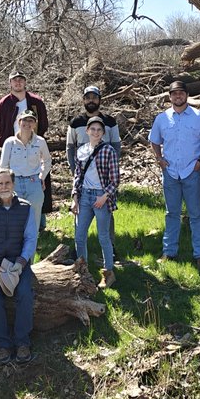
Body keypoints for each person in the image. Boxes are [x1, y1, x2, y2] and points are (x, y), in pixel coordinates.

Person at [148, 80, 200, 267]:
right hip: (170, 172)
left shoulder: (199, 117)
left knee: (196, 214)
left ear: (186, 95)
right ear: (169, 97)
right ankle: (169, 252)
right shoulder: (162, 118)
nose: (178, 96)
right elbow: (154, 140)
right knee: (171, 213)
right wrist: (159, 159)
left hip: (191, 172)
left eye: (181, 93)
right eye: (174, 93)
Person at [0, 169, 38, 365]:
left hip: (19, 261)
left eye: (7, 183)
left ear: (13, 185)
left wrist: (21, 263)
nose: (4, 187)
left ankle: (22, 342)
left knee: (25, 295)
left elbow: (30, 239)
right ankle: (3, 345)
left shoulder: (26, 208)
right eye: (0, 184)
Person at [65, 84, 120, 253]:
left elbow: (116, 146)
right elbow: (70, 147)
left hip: (104, 178)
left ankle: (110, 246)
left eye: (94, 97)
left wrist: (112, 171)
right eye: (88, 97)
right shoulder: (75, 123)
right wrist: (75, 171)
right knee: (79, 210)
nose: (91, 101)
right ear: (83, 100)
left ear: (99, 100)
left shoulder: (110, 122)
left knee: (107, 212)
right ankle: (78, 249)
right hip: (82, 177)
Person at [0, 71, 53, 224]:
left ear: (25, 82)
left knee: (39, 188)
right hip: (14, 147)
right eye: (15, 80)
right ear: (10, 83)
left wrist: (34, 139)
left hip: (33, 145)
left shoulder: (36, 101)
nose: (18, 83)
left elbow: (44, 123)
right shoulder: (4, 103)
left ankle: (39, 224)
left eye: (21, 80)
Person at [72, 116, 119, 287]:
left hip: (101, 196)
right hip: (84, 196)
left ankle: (108, 272)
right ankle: (82, 270)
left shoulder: (109, 151)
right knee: (79, 236)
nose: (96, 132)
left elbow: (115, 180)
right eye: (93, 129)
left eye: (99, 130)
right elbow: (77, 176)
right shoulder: (81, 150)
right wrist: (75, 196)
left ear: (103, 133)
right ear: (87, 131)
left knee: (103, 236)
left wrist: (104, 197)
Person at [0, 110, 52, 231]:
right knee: (14, 216)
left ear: (34, 124)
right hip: (14, 183)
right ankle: (16, 246)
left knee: (33, 217)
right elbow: (3, 166)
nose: (27, 123)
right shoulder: (9, 142)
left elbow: (47, 161)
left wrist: (42, 176)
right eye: (24, 120)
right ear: (19, 122)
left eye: (31, 121)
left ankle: (31, 247)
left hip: (33, 182)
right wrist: (5, 184)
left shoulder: (40, 141)